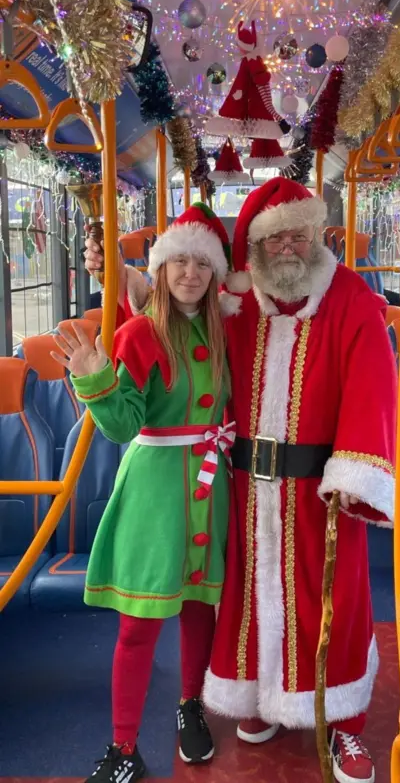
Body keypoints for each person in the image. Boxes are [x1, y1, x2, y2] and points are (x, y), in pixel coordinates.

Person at [85, 178, 397, 783]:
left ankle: (344, 727)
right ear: (251, 248)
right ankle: (258, 700)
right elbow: (167, 324)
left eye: (299, 233)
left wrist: (354, 475)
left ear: (317, 235)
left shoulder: (352, 300)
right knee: (246, 602)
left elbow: (373, 387)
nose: (288, 245)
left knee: (334, 602)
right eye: (273, 235)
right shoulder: (236, 307)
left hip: (319, 492)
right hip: (241, 489)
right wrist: (129, 299)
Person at [60, 203, 233, 783]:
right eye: (178, 260)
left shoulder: (226, 328)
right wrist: (95, 377)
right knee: (138, 623)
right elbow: (123, 425)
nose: (190, 273)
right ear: (160, 268)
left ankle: (191, 707)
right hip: (156, 491)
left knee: (197, 606)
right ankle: (123, 747)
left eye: (202, 263)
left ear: (216, 273)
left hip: (212, 486)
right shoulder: (139, 332)